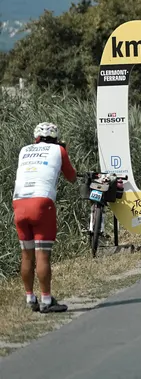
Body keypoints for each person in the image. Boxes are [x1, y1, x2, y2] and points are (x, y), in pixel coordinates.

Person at [13, 122, 76, 313]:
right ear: (56, 138)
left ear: (36, 138)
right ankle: (47, 300)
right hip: (42, 203)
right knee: (42, 254)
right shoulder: (59, 150)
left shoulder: (24, 150)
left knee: (26, 254)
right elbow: (71, 177)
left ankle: (30, 297)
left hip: (19, 202)